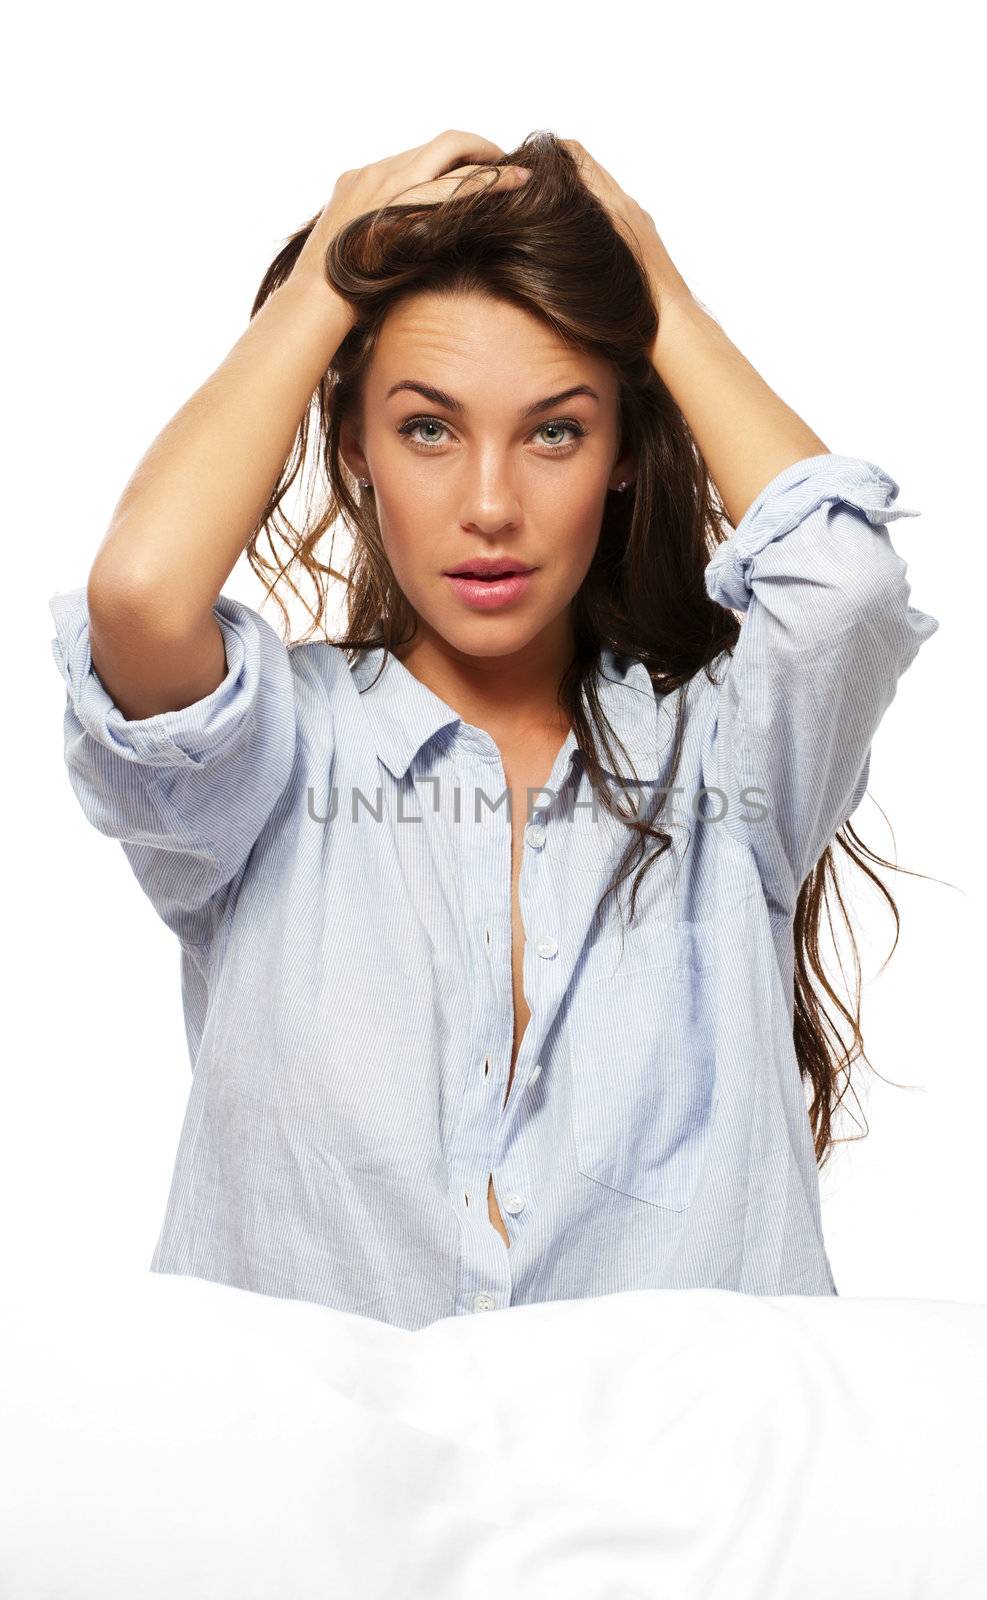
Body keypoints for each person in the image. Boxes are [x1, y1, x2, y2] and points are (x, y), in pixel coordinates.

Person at [48, 129, 939, 1330]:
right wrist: (324, 278)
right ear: (352, 446)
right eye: (426, 428)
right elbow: (142, 594)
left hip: (678, 1493)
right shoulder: (268, 762)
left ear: (621, 450)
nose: (488, 507)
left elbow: (846, 593)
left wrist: (657, 297)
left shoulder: (722, 760)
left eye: (555, 431)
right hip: (303, 1497)